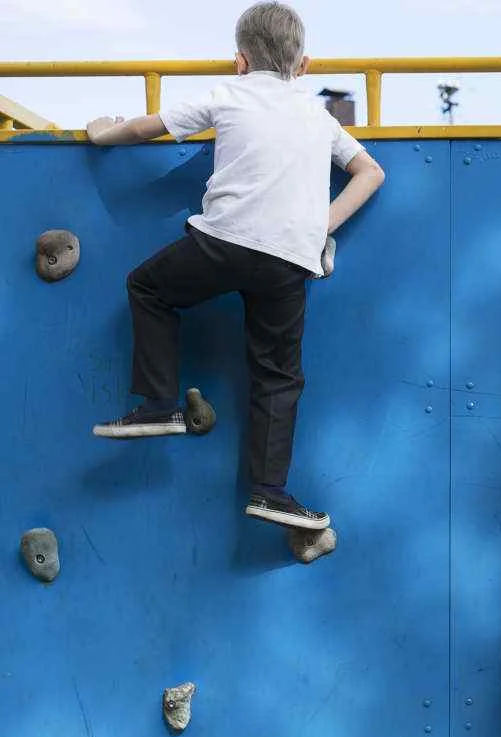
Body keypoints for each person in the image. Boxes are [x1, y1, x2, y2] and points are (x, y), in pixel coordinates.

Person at [84, 1, 385, 530]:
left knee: (148, 288)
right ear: (305, 66)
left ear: (239, 62)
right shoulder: (319, 116)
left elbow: (146, 129)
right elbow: (371, 172)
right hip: (288, 260)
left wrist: (103, 131)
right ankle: (270, 491)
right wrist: (322, 227)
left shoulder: (227, 93)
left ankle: (159, 404)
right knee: (278, 376)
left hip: (223, 244)